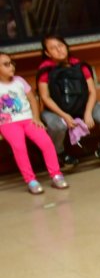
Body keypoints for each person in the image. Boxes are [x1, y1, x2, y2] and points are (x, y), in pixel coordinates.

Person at [36, 34, 100, 167]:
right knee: (56, 126)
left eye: (61, 46)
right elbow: (45, 97)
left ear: (66, 47)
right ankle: (60, 154)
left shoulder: (80, 65)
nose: (59, 50)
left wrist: (88, 112)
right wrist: (64, 115)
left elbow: (92, 91)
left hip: (83, 106)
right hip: (56, 110)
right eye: (53, 48)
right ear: (47, 53)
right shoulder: (45, 70)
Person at [0, 53, 68, 194]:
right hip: (8, 123)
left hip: (28, 118)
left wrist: (36, 117)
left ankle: (56, 174)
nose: (11, 66)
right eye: (6, 64)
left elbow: (32, 99)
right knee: (19, 147)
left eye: (11, 63)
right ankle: (30, 180)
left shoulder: (19, 81)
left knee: (46, 142)